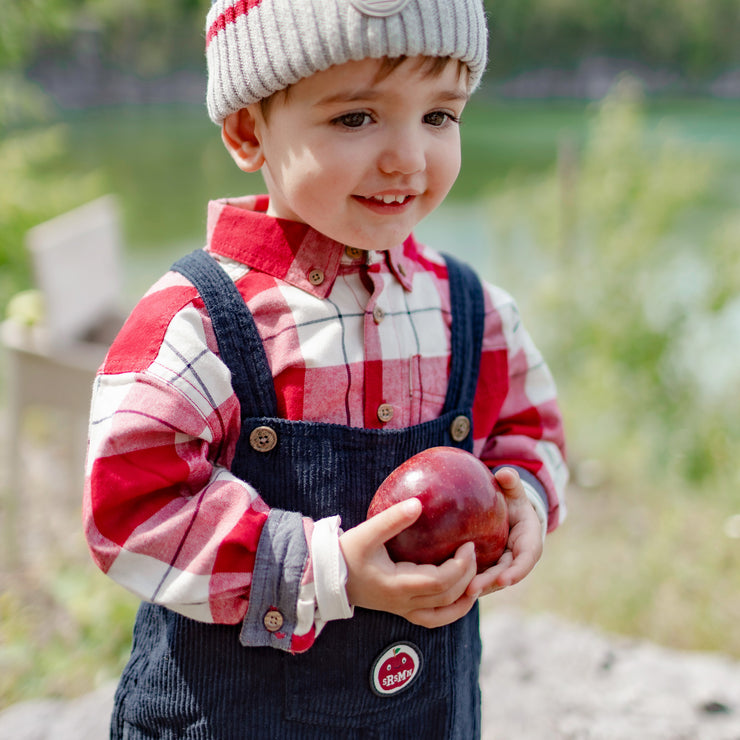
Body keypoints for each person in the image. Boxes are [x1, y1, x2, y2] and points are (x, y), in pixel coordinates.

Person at [83, 0, 568, 737]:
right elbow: (130, 507)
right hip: (231, 718)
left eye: (440, 116)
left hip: (426, 713)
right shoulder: (200, 321)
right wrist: (325, 569)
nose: (409, 156)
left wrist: (522, 500)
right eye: (356, 119)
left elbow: (529, 434)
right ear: (249, 130)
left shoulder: (471, 310)